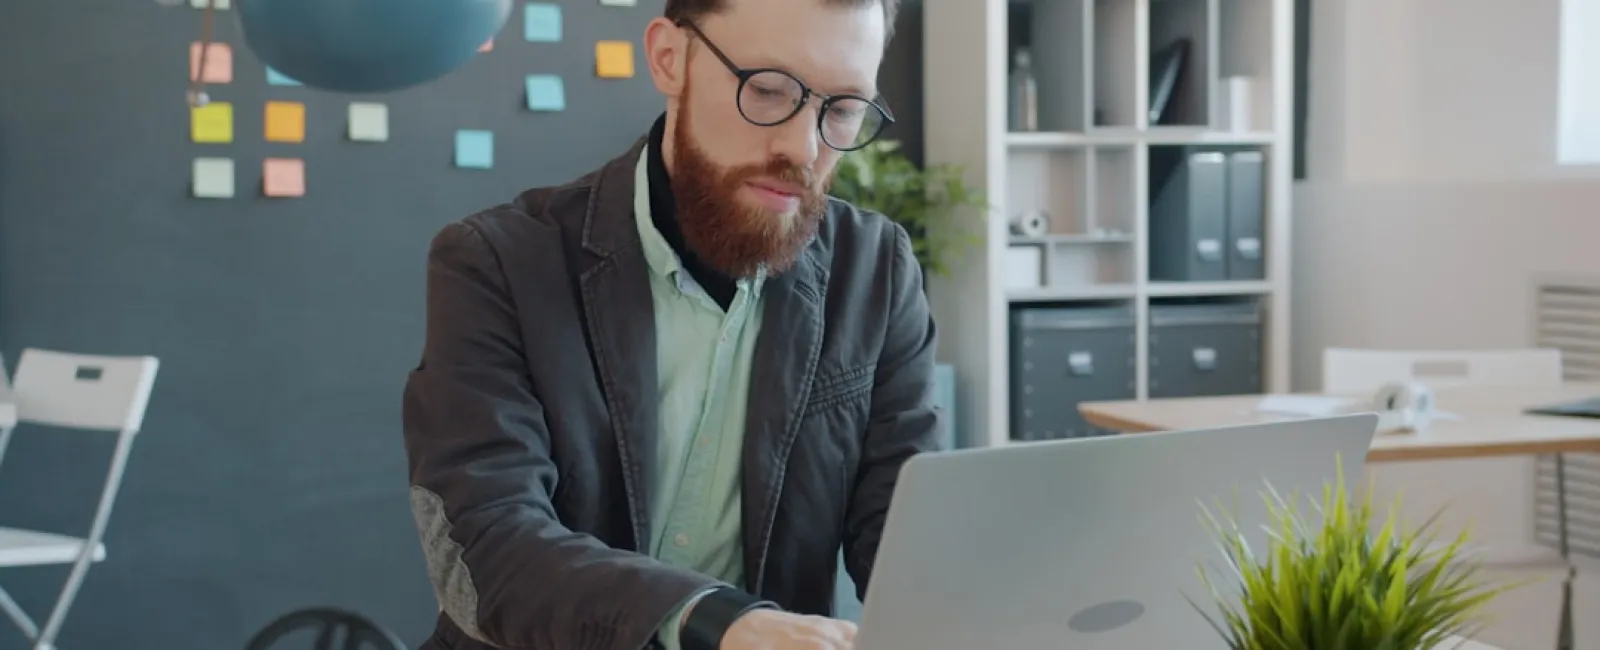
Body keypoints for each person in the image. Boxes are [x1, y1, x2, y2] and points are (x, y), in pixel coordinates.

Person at [401, 0, 940, 647]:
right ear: (669, 58)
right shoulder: (497, 264)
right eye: (767, 91)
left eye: (845, 109)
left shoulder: (875, 270)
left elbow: (907, 535)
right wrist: (717, 621)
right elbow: (484, 544)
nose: (802, 148)